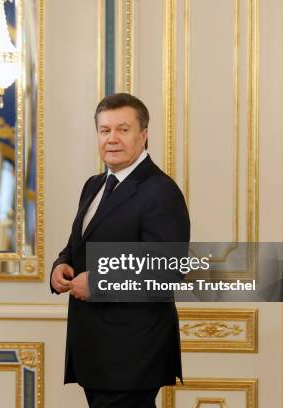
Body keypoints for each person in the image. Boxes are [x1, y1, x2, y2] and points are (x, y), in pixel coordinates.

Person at [50, 93, 190, 408]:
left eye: (123, 130)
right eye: (104, 130)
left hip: (134, 354)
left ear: (144, 135)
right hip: (95, 351)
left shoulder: (161, 191)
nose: (112, 138)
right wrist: (62, 265)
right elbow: (78, 244)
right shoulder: (94, 184)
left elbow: (168, 271)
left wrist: (99, 282)